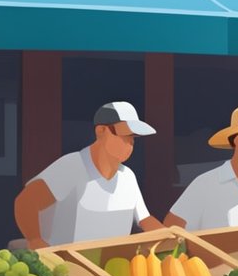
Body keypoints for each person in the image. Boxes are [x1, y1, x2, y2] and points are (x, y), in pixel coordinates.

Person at [14, 101, 164, 248]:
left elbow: (145, 219)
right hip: (63, 265)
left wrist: (171, 235)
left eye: (133, 137)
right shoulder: (71, 166)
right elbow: (26, 203)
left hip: (111, 265)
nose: (129, 143)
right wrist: (36, 241)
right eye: (124, 135)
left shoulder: (128, 177)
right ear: (101, 131)